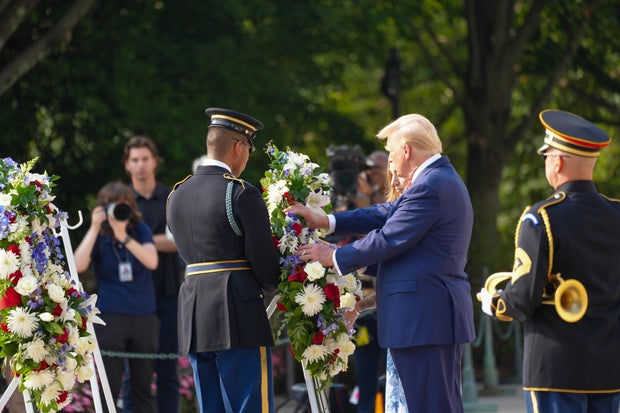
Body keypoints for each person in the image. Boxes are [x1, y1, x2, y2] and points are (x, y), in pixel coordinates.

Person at [288, 113, 475, 412]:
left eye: (390, 152)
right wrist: (327, 220)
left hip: (424, 320)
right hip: (425, 318)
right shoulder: (435, 180)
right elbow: (384, 213)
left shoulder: (432, 185)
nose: (390, 161)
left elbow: (389, 238)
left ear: (406, 151)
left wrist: (333, 256)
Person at [478, 109, 620, 413]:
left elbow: (523, 297)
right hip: (609, 370)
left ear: (557, 161)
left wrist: (494, 302)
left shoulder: (542, 218)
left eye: (547, 157)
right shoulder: (616, 214)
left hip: (555, 369)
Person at [166, 107, 280, 413]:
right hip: (237, 312)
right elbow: (265, 264)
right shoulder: (241, 193)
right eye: (248, 150)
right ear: (238, 146)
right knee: (249, 406)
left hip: (193, 313)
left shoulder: (176, 195)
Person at [74, 182, 159, 413]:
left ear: (131, 207)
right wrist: (93, 227)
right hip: (111, 317)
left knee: (142, 387)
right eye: (113, 206)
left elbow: (152, 261)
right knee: (109, 387)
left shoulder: (138, 230)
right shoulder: (100, 236)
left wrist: (124, 236)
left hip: (143, 316)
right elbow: (79, 265)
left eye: (124, 205)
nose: (119, 211)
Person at [122, 136, 182, 413]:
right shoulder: (121, 203)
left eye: (145, 158)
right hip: (133, 300)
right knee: (134, 374)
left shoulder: (172, 198)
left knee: (168, 372)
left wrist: (136, 240)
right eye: (135, 160)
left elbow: (178, 241)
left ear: (155, 161)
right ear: (127, 165)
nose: (140, 165)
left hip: (168, 295)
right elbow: (115, 240)